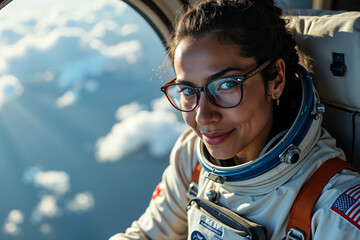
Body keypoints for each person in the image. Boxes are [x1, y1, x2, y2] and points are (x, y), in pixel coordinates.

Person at [110, 0, 360, 239]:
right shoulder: (192, 156)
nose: (203, 116)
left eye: (226, 84)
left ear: (277, 80)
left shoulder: (334, 211)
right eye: (188, 90)